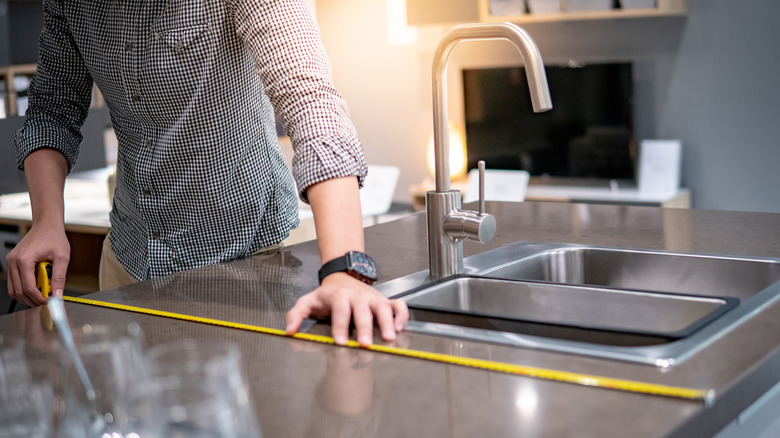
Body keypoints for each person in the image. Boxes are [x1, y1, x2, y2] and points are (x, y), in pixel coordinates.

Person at [6, 0, 408, 346]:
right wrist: (46, 221)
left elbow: (310, 101)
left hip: (248, 262)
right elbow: (52, 111)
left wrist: (346, 271)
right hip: (129, 260)